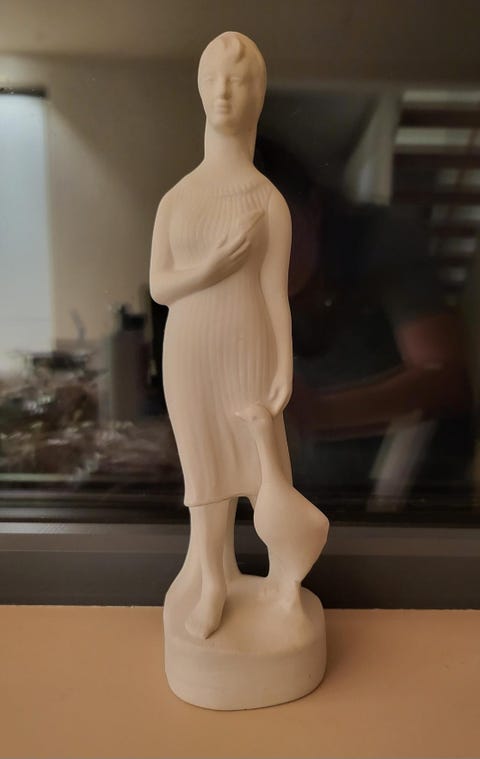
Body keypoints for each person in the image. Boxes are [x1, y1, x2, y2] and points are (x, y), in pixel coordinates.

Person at [149, 32, 293, 639]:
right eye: (212, 79)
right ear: (199, 91)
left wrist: (285, 363)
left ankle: (285, 579)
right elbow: (160, 286)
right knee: (204, 469)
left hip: (249, 346)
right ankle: (212, 581)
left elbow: (274, 290)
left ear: (258, 94)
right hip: (189, 351)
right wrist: (209, 269)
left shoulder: (269, 201)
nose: (223, 93)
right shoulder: (177, 199)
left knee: (262, 467)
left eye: (237, 80)